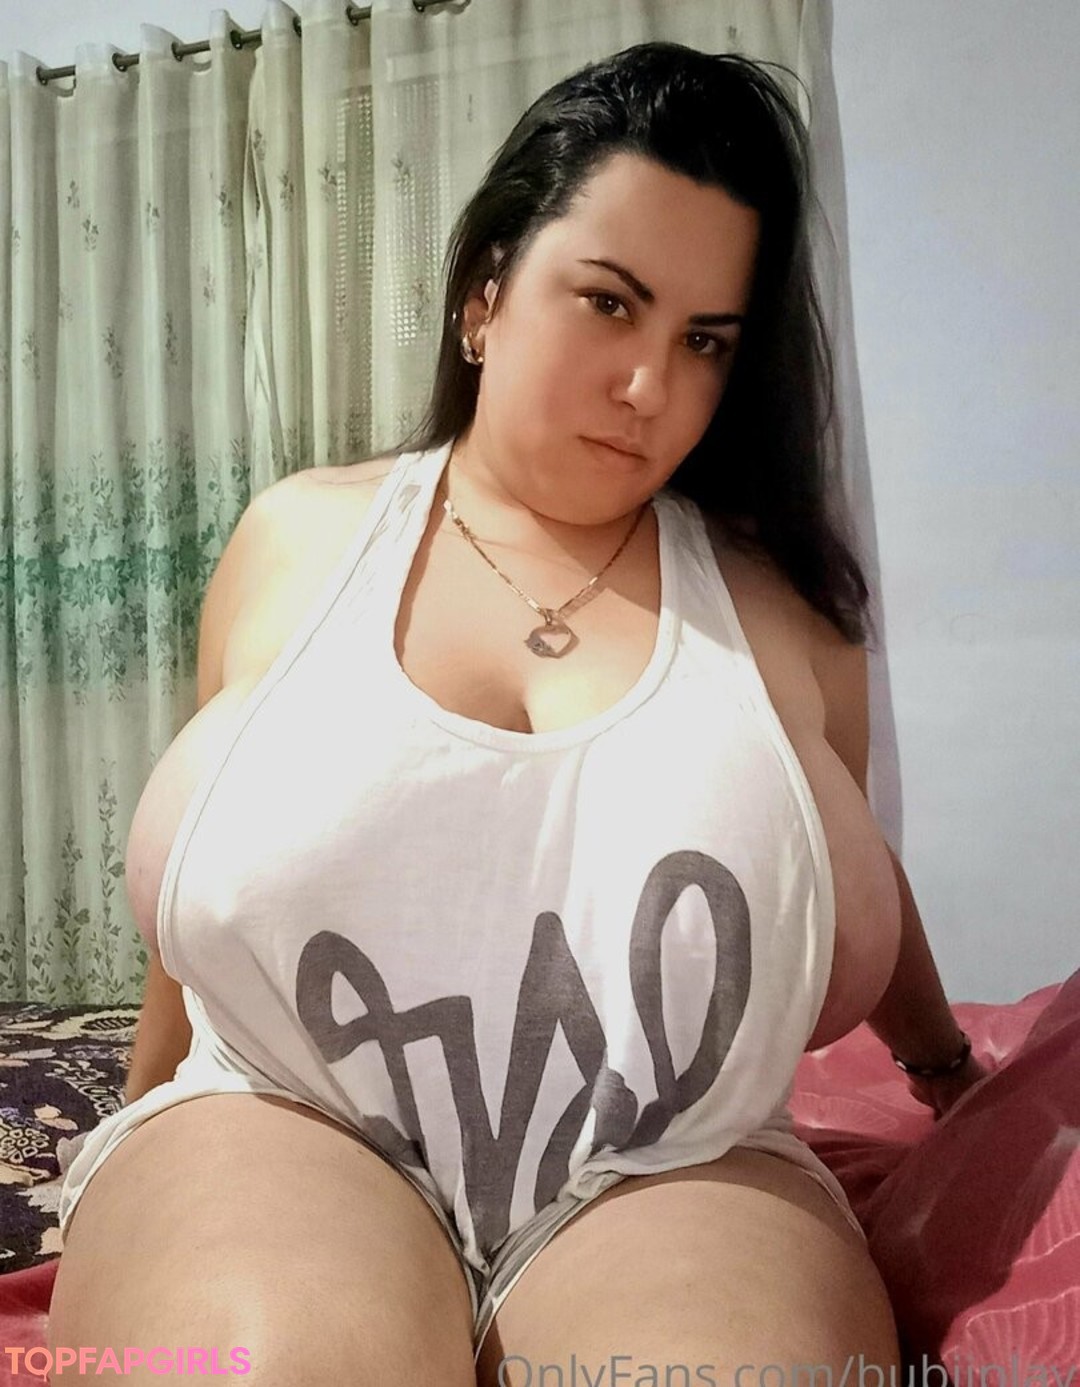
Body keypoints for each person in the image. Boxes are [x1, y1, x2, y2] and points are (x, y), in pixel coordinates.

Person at [48, 41, 990, 1386]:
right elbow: (211, 865)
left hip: (675, 1167)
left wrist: (947, 1067)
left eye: (704, 342)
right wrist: (144, 1125)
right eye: (608, 303)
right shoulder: (298, 541)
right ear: (483, 297)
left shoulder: (787, 613)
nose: (649, 387)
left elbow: (833, 865)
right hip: (287, 1120)